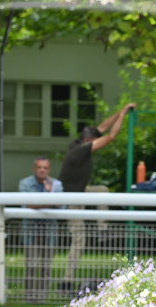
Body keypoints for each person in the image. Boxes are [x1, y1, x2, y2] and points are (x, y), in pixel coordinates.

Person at [58, 102, 135, 294]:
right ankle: (66, 281)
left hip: (81, 191)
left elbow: (102, 128)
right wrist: (122, 116)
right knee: (79, 240)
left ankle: (103, 229)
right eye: (95, 141)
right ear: (89, 140)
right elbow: (110, 137)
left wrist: (122, 110)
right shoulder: (80, 150)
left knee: (102, 190)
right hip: (71, 198)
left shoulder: (78, 142)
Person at [19, 157, 63, 303]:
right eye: (39, 167)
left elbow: (61, 206)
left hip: (49, 231)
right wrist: (49, 201)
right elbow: (25, 205)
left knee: (46, 266)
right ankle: (29, 297)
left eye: (45, 167)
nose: (42, 170)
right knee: (31, 265)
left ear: (49, 170)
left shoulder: (56, 185)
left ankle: (41, 297)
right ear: (34, 169)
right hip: (30, 230)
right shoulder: (25, 183)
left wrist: (47, 197)